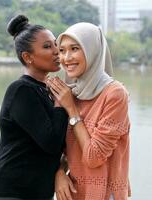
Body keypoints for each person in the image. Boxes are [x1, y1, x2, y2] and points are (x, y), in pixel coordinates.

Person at [0, 15, 69, 200]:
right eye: (47, 47)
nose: (57, 51)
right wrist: (61, 104)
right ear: (27, 57)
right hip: (10, 189)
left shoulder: (47, 90)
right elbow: (51, 143)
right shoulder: (22, 90)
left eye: (56, 44)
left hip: (34, 191)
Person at [46, 22, 131, 200]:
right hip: (73, 192)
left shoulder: (114, 94)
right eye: (62, 50)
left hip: (105, 194)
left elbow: (94, 156)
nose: (66, 58)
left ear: (92, 51)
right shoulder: (69, 91)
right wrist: (59, 172)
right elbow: (56, 146)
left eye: (75, 48)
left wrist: (71, 109)